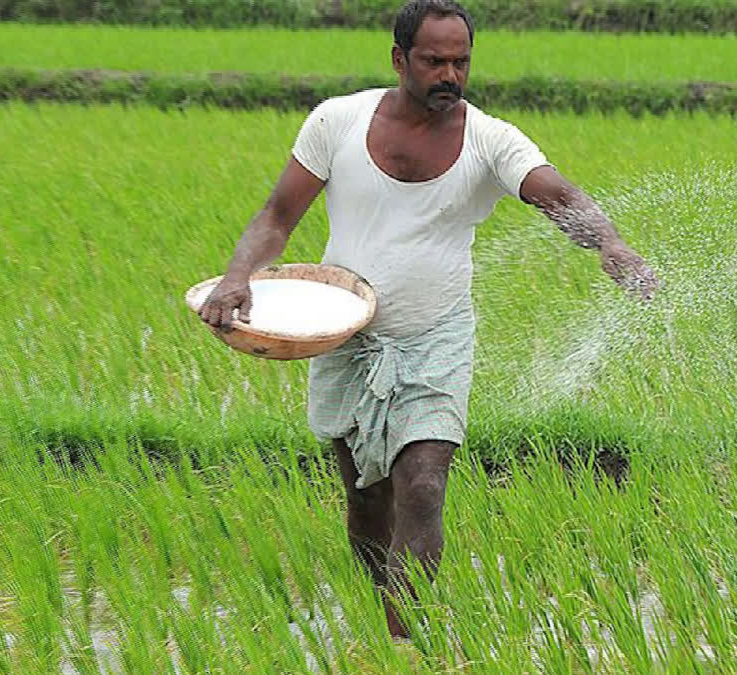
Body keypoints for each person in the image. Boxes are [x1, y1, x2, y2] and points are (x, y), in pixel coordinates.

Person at [197, 0, 659, 640]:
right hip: (345, 335)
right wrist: (238, 275)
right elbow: (277, 217)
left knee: (422, 484)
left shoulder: (491, 140)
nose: (450, 74)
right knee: (365, 499)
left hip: (435, 335)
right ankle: (380, 618)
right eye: (434, 60)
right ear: (399, 59)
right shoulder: (337, 122)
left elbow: (558, 193)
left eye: (461, 62)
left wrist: (607, 241)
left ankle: (405, 639)